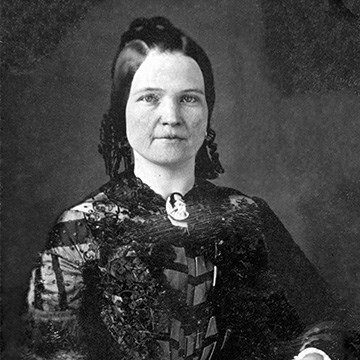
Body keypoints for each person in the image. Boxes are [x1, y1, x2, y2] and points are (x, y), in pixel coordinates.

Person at [22, 16, 359, 360]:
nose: (171, 116)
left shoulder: (245, 215)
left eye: (189, 99)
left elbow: (330, 321)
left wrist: (316, 352)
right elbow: (49, 349)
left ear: (208, 111)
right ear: (121, 110)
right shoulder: (80, 228)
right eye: (150, 97)